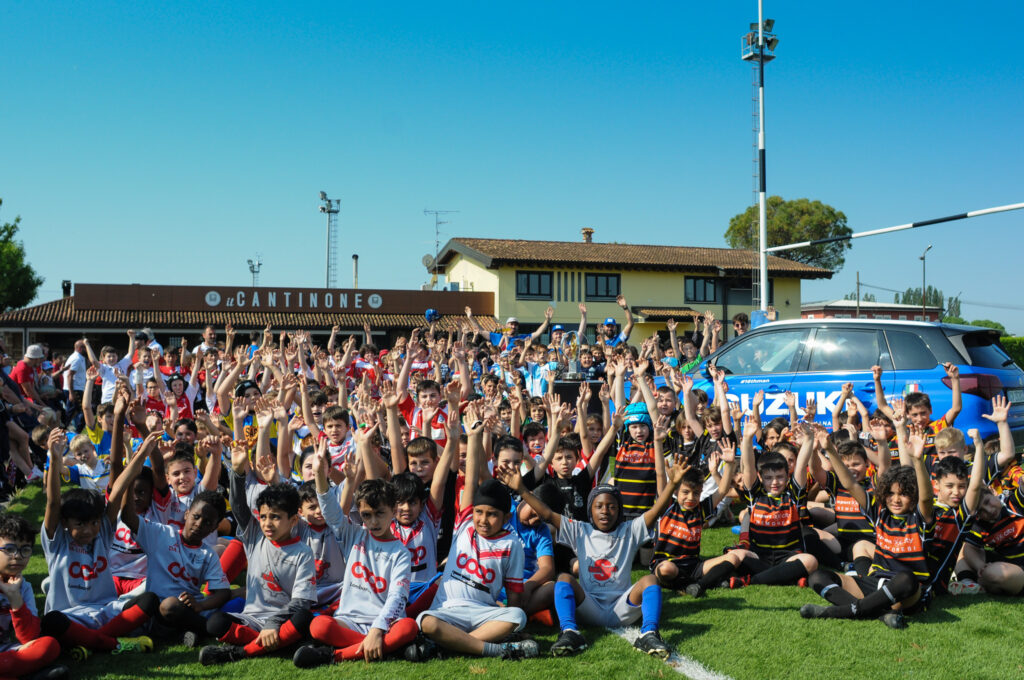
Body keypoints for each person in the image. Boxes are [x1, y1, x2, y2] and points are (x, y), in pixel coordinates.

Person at [498, 454, 691, 659]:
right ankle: (570, 632)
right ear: (590, 510)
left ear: (619, 510)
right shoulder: (580, 530)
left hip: (622, 607)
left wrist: (672, 485)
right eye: (599, 506)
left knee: (650, 579)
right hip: (588, 607)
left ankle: (649, 633)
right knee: (564, 578)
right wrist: (522, 490)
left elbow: (655, 512)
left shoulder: (630, 530)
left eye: (611, 506)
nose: (605, 511)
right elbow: (546, 514)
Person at [414, 404, 537, 661]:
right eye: (479, 512)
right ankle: (492, 648)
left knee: (518, 616)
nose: (483, 520)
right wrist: (472, 438)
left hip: (484, 612)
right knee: (426, 621)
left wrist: (513, 627)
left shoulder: (511, 543)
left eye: (492, 515)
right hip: (447, 610)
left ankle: (450, 644)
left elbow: (514, 594)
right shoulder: (465, 525)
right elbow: (470, 480)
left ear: (505, 518)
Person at [291, 438, 418, 667]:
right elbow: (331, 512)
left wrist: (378, 629)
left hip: (385, 623)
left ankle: (333, 656)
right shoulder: (354, 535)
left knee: (408, 627)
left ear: (394, 510)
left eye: (380, 514)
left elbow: (397, 597)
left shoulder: (400, 553)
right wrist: (320, 475)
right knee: (318, 626)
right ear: (359, 512)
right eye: (367, 515)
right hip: (350, 620)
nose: (373, 521)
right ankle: (387, 648)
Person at [801, 425, 935, 628]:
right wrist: (829, 449)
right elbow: (850, 484)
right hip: (876, 583)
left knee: (906, 578)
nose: (896, 500)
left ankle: (837, 612)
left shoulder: (919, 519)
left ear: (913, 496)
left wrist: (917, 460)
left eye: (903, 494)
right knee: (818, 576)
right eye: (891, 493)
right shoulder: (880, 513)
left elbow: (926, 498)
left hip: (907, 592)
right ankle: (882, 614)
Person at [39, 429, 158, 657]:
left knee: (149, 600)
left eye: (93, 522)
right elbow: (53, 503)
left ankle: (88, 643)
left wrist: (142, 455)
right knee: (51, 622)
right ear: (65, 522)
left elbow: (118, 490)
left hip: (106, 612)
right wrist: (54, 459)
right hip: (71, 616)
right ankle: (114, 644)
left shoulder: (102, 533)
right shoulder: (57, 541)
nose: (88, 530)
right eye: (80, 524)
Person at [198, 441, 316, 665]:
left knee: (303, 618)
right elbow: (239, 506)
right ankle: (278, 643)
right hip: (251, 619)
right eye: (263, 517)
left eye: (275, 517)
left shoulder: (303, 553)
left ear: (293, 520)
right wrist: (237, 472)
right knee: (215, 623)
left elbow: (301, 603)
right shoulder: (255, 536)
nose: (267, 523)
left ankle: (239, 652)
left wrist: (274, 622)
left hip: (283, 619)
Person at [116, 442, 231, 642]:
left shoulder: (207, 554)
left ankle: (188, 632)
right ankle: (198, 632)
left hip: (182, 608)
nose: (199, 524)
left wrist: (200, 605)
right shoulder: (161, 534)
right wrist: (131, 475)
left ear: (214, 528)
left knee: (174, 606)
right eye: (196, 517)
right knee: (154, 605)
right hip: (154, 605)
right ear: (187, 514)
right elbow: (128, 517)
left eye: (207, 523)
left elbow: (222, 592)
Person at [651, 441, 742, 598]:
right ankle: (705, 582)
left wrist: (729, 464)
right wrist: (658, 442)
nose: (691, 498)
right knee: (666, 569)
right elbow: (660, 474)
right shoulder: (666, 506)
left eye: (696, 493)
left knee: (733, 558)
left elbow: (722, 490)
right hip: (667, 564)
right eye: (685, 492)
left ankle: (698, 585)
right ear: (676, 492)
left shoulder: (700, 509)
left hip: (694, 566)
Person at [0, 513, 68, 680]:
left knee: (50, 645)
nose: (17, 556)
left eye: (25, 550)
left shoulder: (24, 587)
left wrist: (15, 597)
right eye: (9, 549)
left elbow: (29, 637)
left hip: (9, 651)